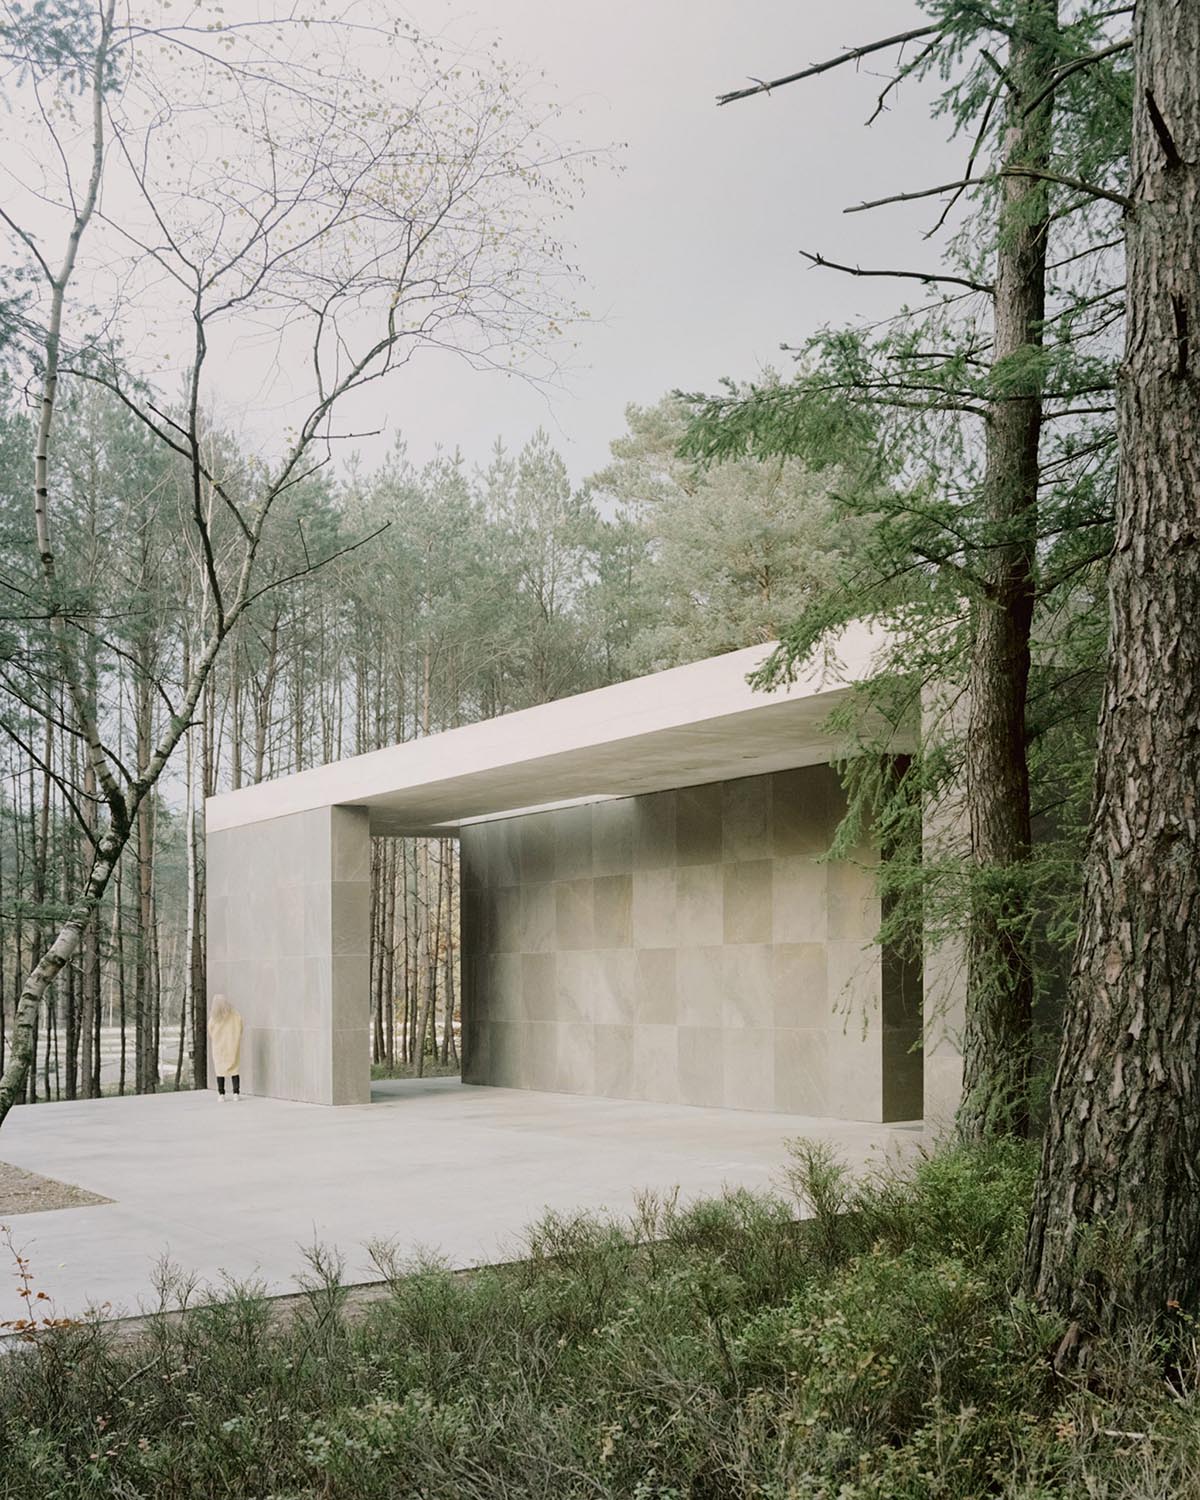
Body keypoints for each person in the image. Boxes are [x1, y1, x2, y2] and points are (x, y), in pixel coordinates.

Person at [207, 994, 244, 1101]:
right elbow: (240, 1027)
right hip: (232, 1046)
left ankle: (221, 1094)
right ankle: (236, 1093)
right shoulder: (235, 1015)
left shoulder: (214, 1018)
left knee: (220, 1071)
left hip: (219, 1047)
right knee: (234, 1069)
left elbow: (210, 1031)